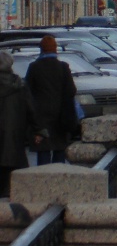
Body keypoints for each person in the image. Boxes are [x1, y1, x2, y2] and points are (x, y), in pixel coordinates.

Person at [25, 36, 78, 165]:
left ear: (41, 49)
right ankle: (58, 180)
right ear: (55, 49)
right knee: (59, 150)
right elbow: (71, 90)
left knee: (43, 151)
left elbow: (27, 93)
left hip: (40, 117)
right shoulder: (63, 67)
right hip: (61, 116)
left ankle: (43, 182)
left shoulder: (34, 67)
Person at [0, 51, 34, 196]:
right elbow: (31, 109)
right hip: (15, 137)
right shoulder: (19, 85)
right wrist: (38, 130)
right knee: (16, 187)